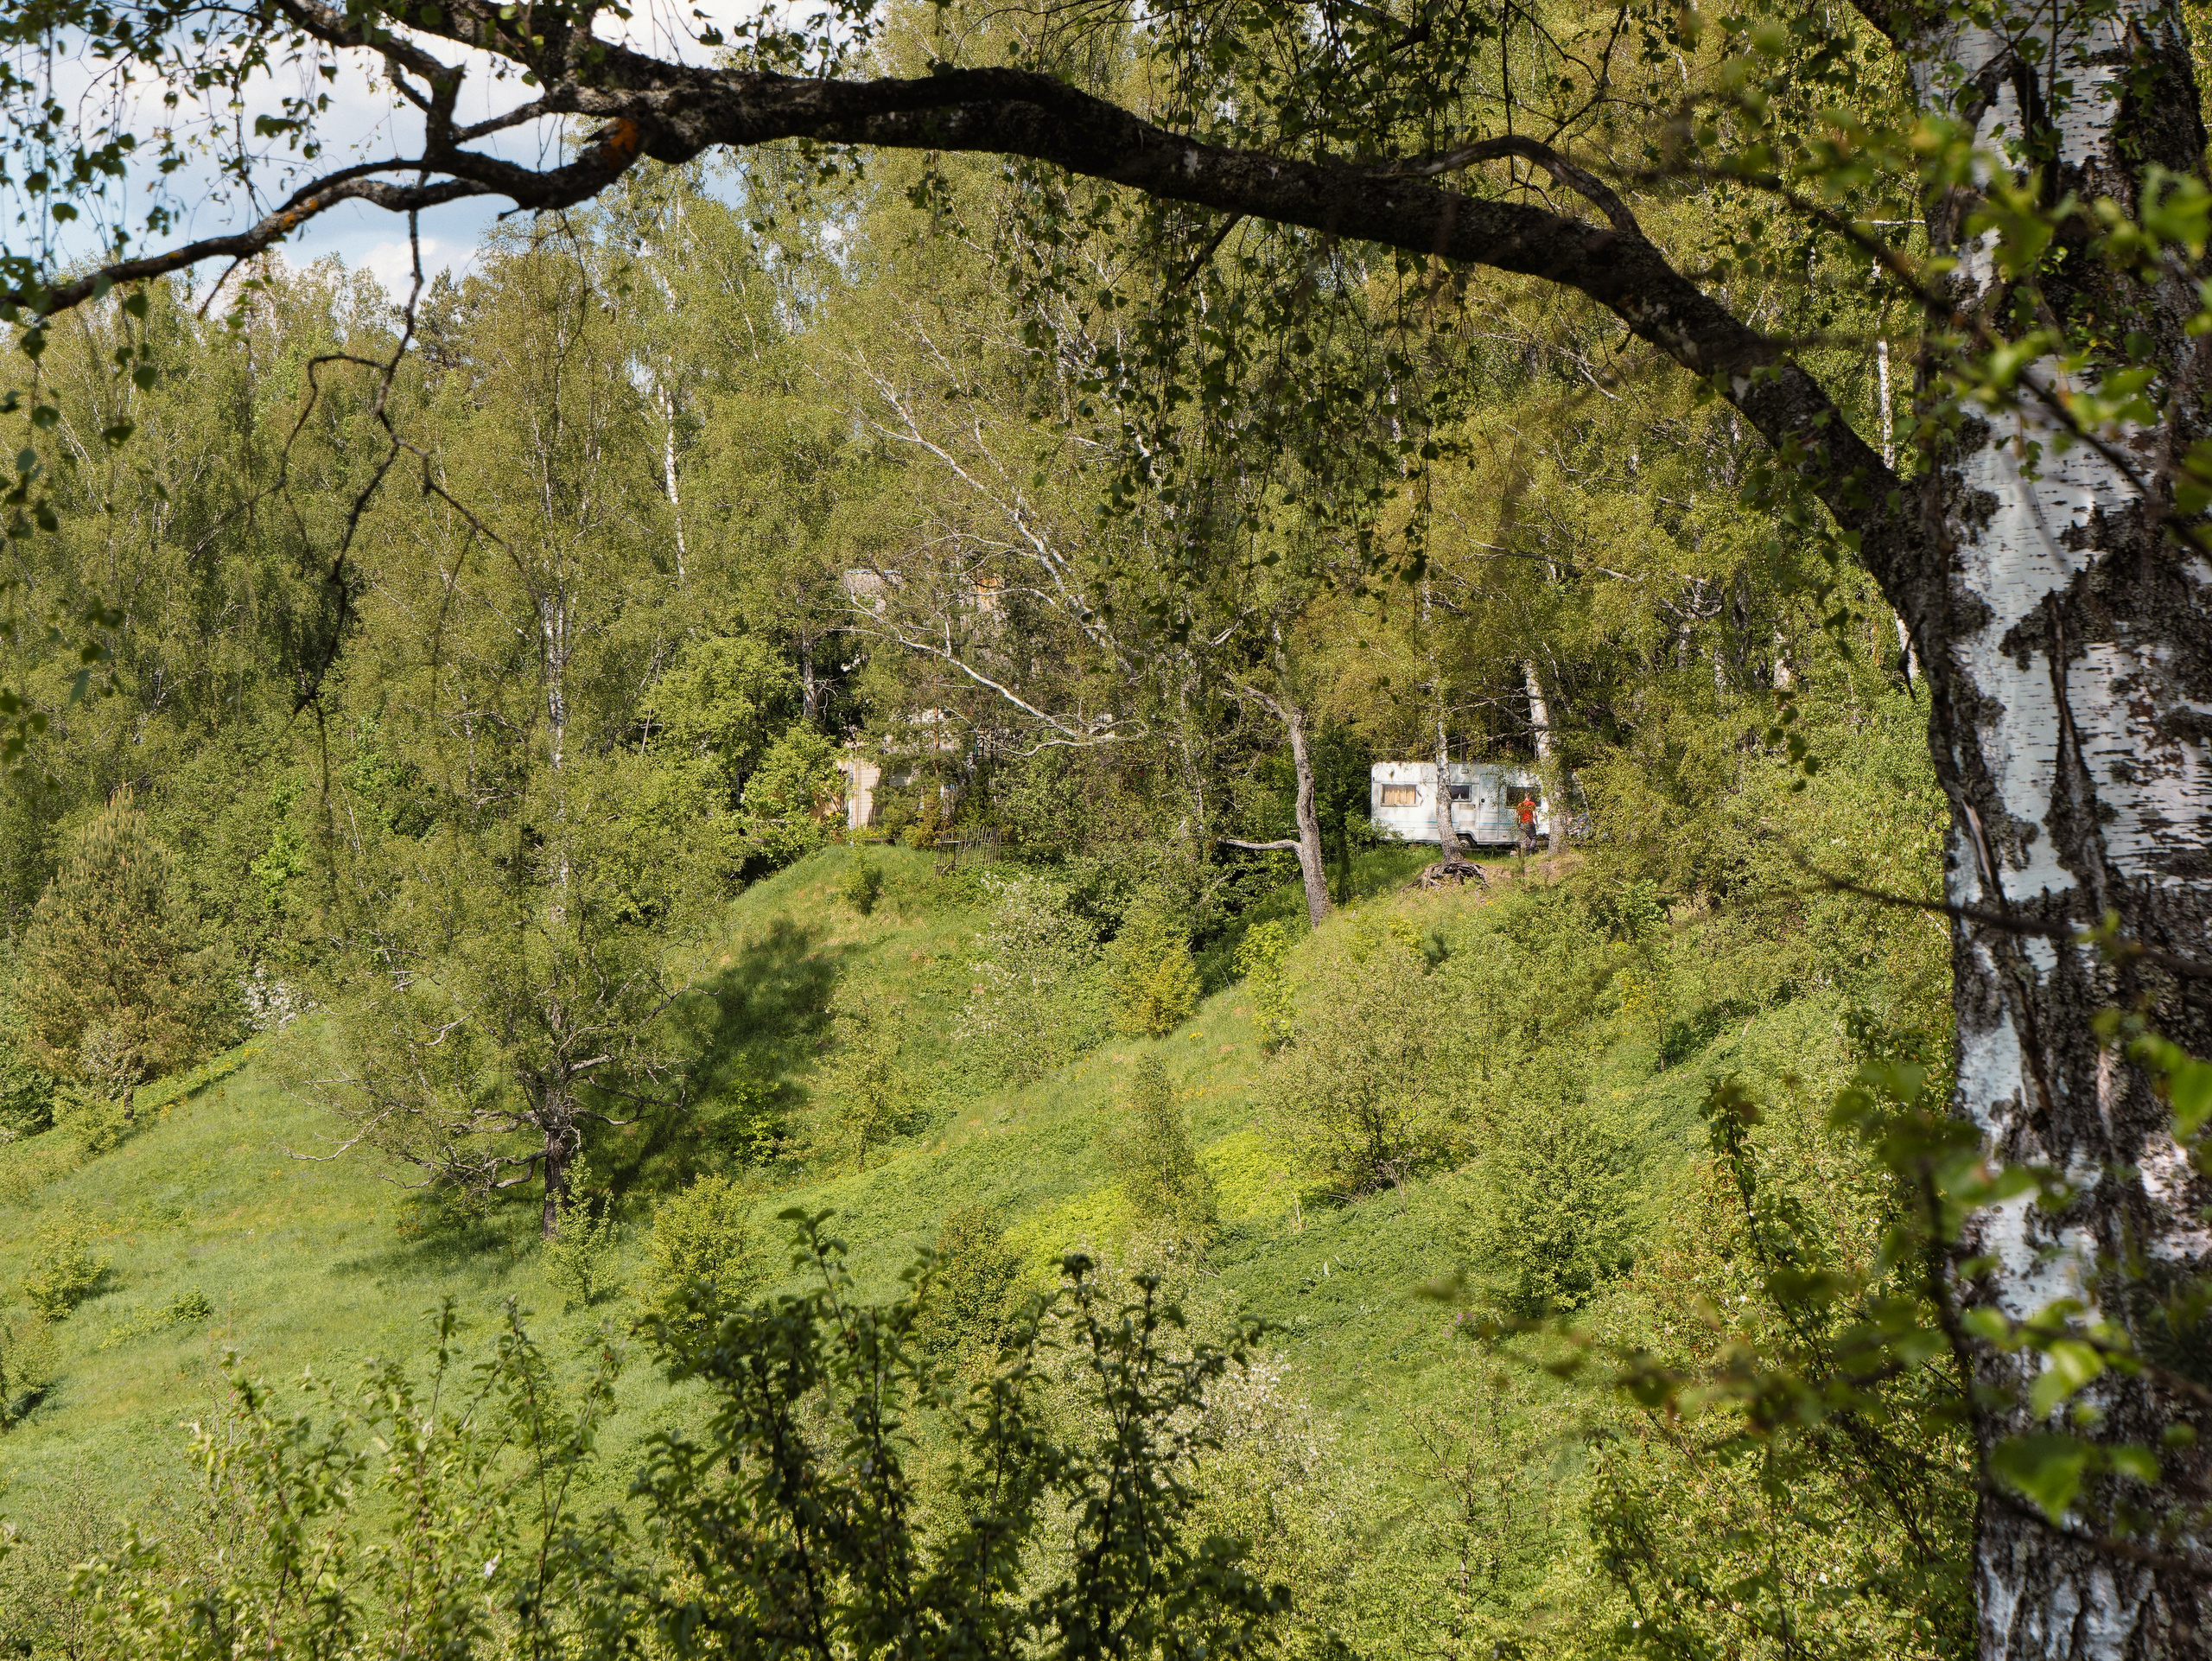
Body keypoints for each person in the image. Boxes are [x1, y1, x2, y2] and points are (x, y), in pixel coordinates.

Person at [1515, 792, 1537, 857]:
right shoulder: (1532, 804)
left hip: (1522, 824)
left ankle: (1523, 854)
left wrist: (1517, 824)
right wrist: (1537, 823)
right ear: (1530, 797)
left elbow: (1516, 816)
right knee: (1533, 838)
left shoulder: (1520, 804)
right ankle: (1531, 850)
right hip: (1529, 823)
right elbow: (1534, 815)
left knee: (1523, 839)